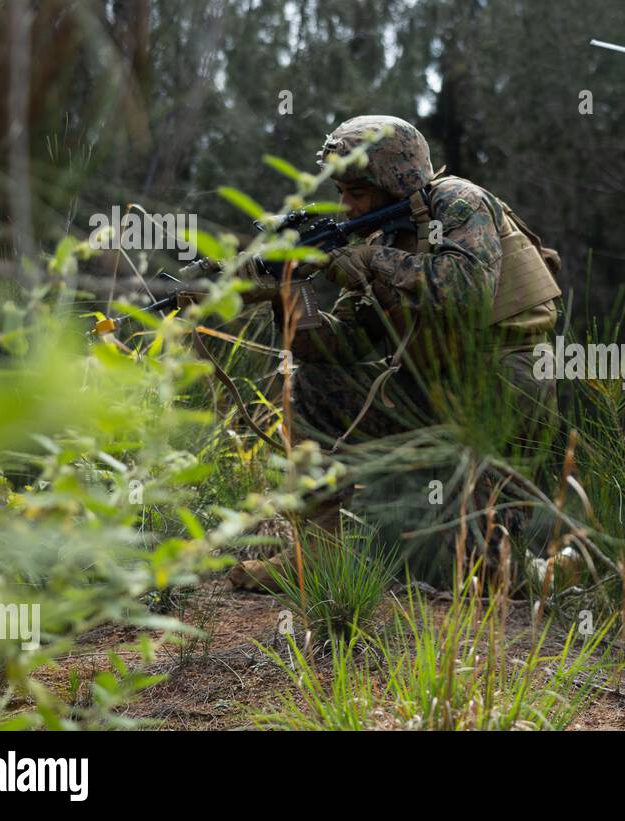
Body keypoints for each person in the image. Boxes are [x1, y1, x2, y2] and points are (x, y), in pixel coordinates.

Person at [229, 115, 562, 591]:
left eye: (357, 192)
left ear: (395, 178)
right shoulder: (383, 235)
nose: (345, 206)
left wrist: (368, 262)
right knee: (312, 386)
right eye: (342, 192)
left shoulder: (459, 202)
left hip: (501, 390)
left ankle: (553, 569)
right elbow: (341, 345)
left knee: (479, 579)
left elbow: (464, 294)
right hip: (428, 390)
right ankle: (317, 556)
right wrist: (288, 293)